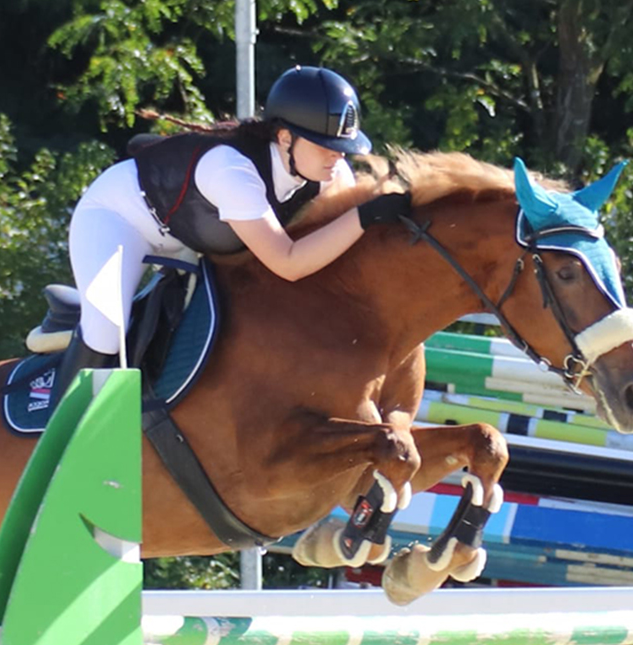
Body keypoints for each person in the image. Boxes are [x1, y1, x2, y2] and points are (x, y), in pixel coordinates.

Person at [51, 65, 411, 406]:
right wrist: (364, 217)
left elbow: (336, 249)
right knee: (107, 327)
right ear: (285, 137)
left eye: (342, 148)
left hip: (190, 237)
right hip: (120, 219)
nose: (336, 157)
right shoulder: (232, 171)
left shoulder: (330, 172)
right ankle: (60, 440)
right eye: (324, 146)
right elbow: (288, 261)